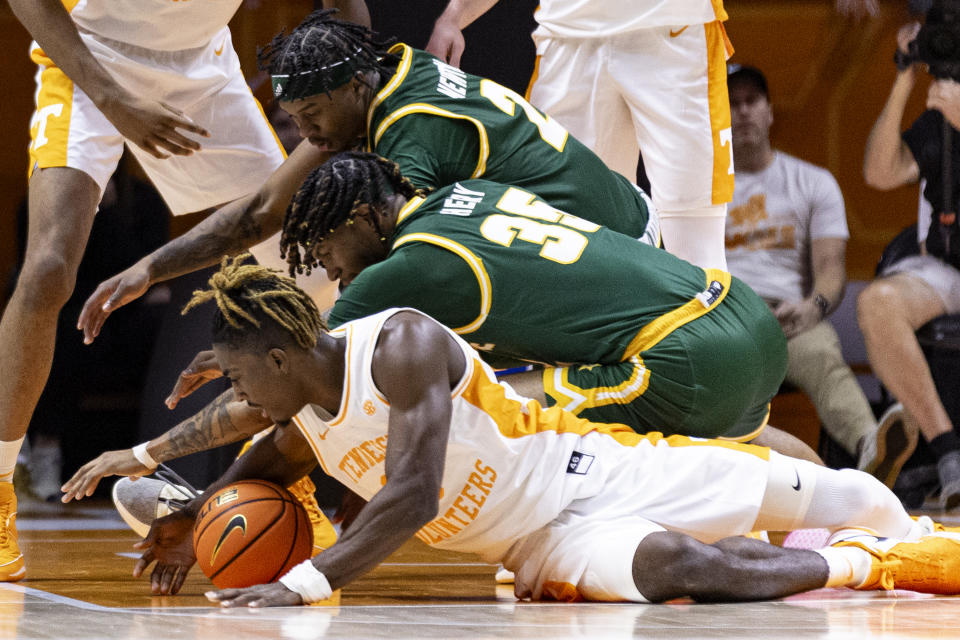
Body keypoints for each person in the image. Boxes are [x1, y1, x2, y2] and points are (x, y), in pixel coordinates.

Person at [130, 257, 960, 603]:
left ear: (279, 357)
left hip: (587, 470)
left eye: (240, 378)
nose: (240, 397)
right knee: (681, 566)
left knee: (851, 491)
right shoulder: (300, 419)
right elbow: (260, 474)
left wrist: (300, 583)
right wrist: (192, 523)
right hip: (534, 545)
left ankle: (886, 532)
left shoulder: (400, 343)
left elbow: (414, 496)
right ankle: (852, 566)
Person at [0, 0, 361, 582]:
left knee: (312, 279)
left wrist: (356, 87)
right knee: (45, 269)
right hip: (92, 62)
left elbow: (346, 9)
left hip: (202, 66)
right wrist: (114, 99)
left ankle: (280, 471)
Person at [76, 9, 660, 347]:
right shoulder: (383, 77)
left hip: (609, 256)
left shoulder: (411, 133)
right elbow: (261, 213)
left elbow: (405, 267)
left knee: (388, 331)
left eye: (312, 118)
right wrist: (150, 267)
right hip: (588, 232)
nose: (308, 135)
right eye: (296, 120)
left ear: (353, 88)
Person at [282, 153, 817, 459]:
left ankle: (560, 530)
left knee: (478, 407)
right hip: (739, 312)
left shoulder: (402, 269)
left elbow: (301, 370)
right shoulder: (470, 191)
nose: (331, 273)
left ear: (361, 218)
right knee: (736, 433)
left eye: (326, 252)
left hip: (683, 354)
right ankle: (874, 518)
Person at [425, 0, 733, 270]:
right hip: (566, 40)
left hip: (673, 30)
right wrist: (454, 16)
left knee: (695, 240)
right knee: (569, 233)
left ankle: (709, 333)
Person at [724, 65, 888, 475]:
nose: (742, 111)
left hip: (788, 318)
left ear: (769, 111)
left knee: (821, 352)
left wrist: (813, 307)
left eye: (752, 101)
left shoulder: (813, 182)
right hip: (722, 313)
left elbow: (831, 270)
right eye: (732, 102)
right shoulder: (696, 190)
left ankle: (874, 450)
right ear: (718, 114)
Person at [860, 18, 960, 509]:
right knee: (877, 305)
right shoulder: (941, 112)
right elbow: (880, 173)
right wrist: (904, 74)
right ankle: (947, 453)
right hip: (947, 265)